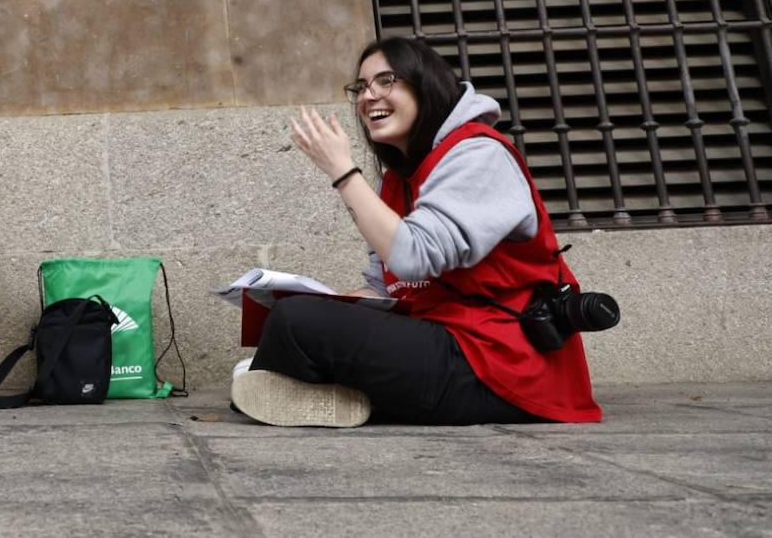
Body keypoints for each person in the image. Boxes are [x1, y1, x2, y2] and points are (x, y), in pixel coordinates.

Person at [232, 36, 603, 427]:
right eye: (361, 87)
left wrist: (342, 172)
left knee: (296, 323)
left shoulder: (480, 155)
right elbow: (383, 288)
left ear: (425, 86)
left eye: (386, 80)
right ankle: (318, 391)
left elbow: (412, 257)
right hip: (441, 343)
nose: (368, 96)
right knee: (288, 321)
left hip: (501, 367)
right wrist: (317, 301)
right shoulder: (397, 181)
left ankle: (322, 391)